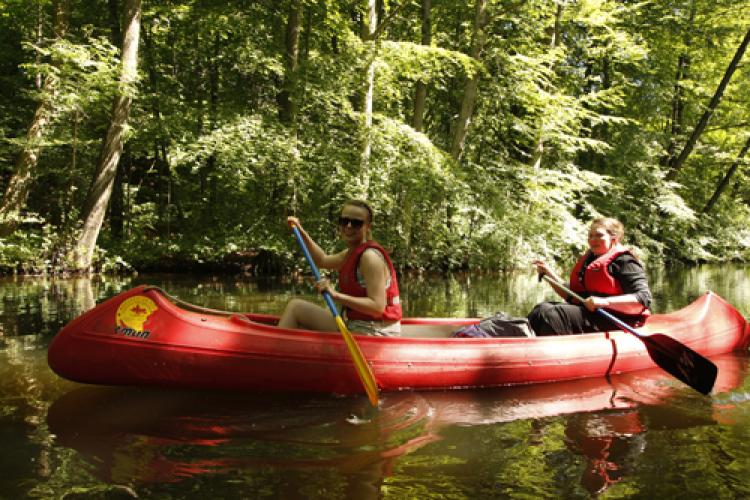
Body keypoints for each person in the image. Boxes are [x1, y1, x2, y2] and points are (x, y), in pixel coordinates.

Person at [278, 200, 402, 336]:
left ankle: (275, 352)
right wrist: (300, 231)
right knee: (296, 307)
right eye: (344, 221)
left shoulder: (370, 258)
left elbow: (377, 307)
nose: (348, 226)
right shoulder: (350, 253)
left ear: (367, 227)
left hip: (376, 331)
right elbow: (322, 260)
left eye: (356, 223)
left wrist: (335, 295)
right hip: (355, 324)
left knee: (297, 311)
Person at [527, 217, 652, 336]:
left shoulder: (625, 261)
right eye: (590, 236)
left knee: (552, 314)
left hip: (619, 320)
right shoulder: (590, 260)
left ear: (614, 239)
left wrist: (604, 302)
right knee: (541, 309)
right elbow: (574, 296)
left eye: (599, 235)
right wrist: (548, 273)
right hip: (595, 315)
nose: (592, 240)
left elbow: (643, 298)